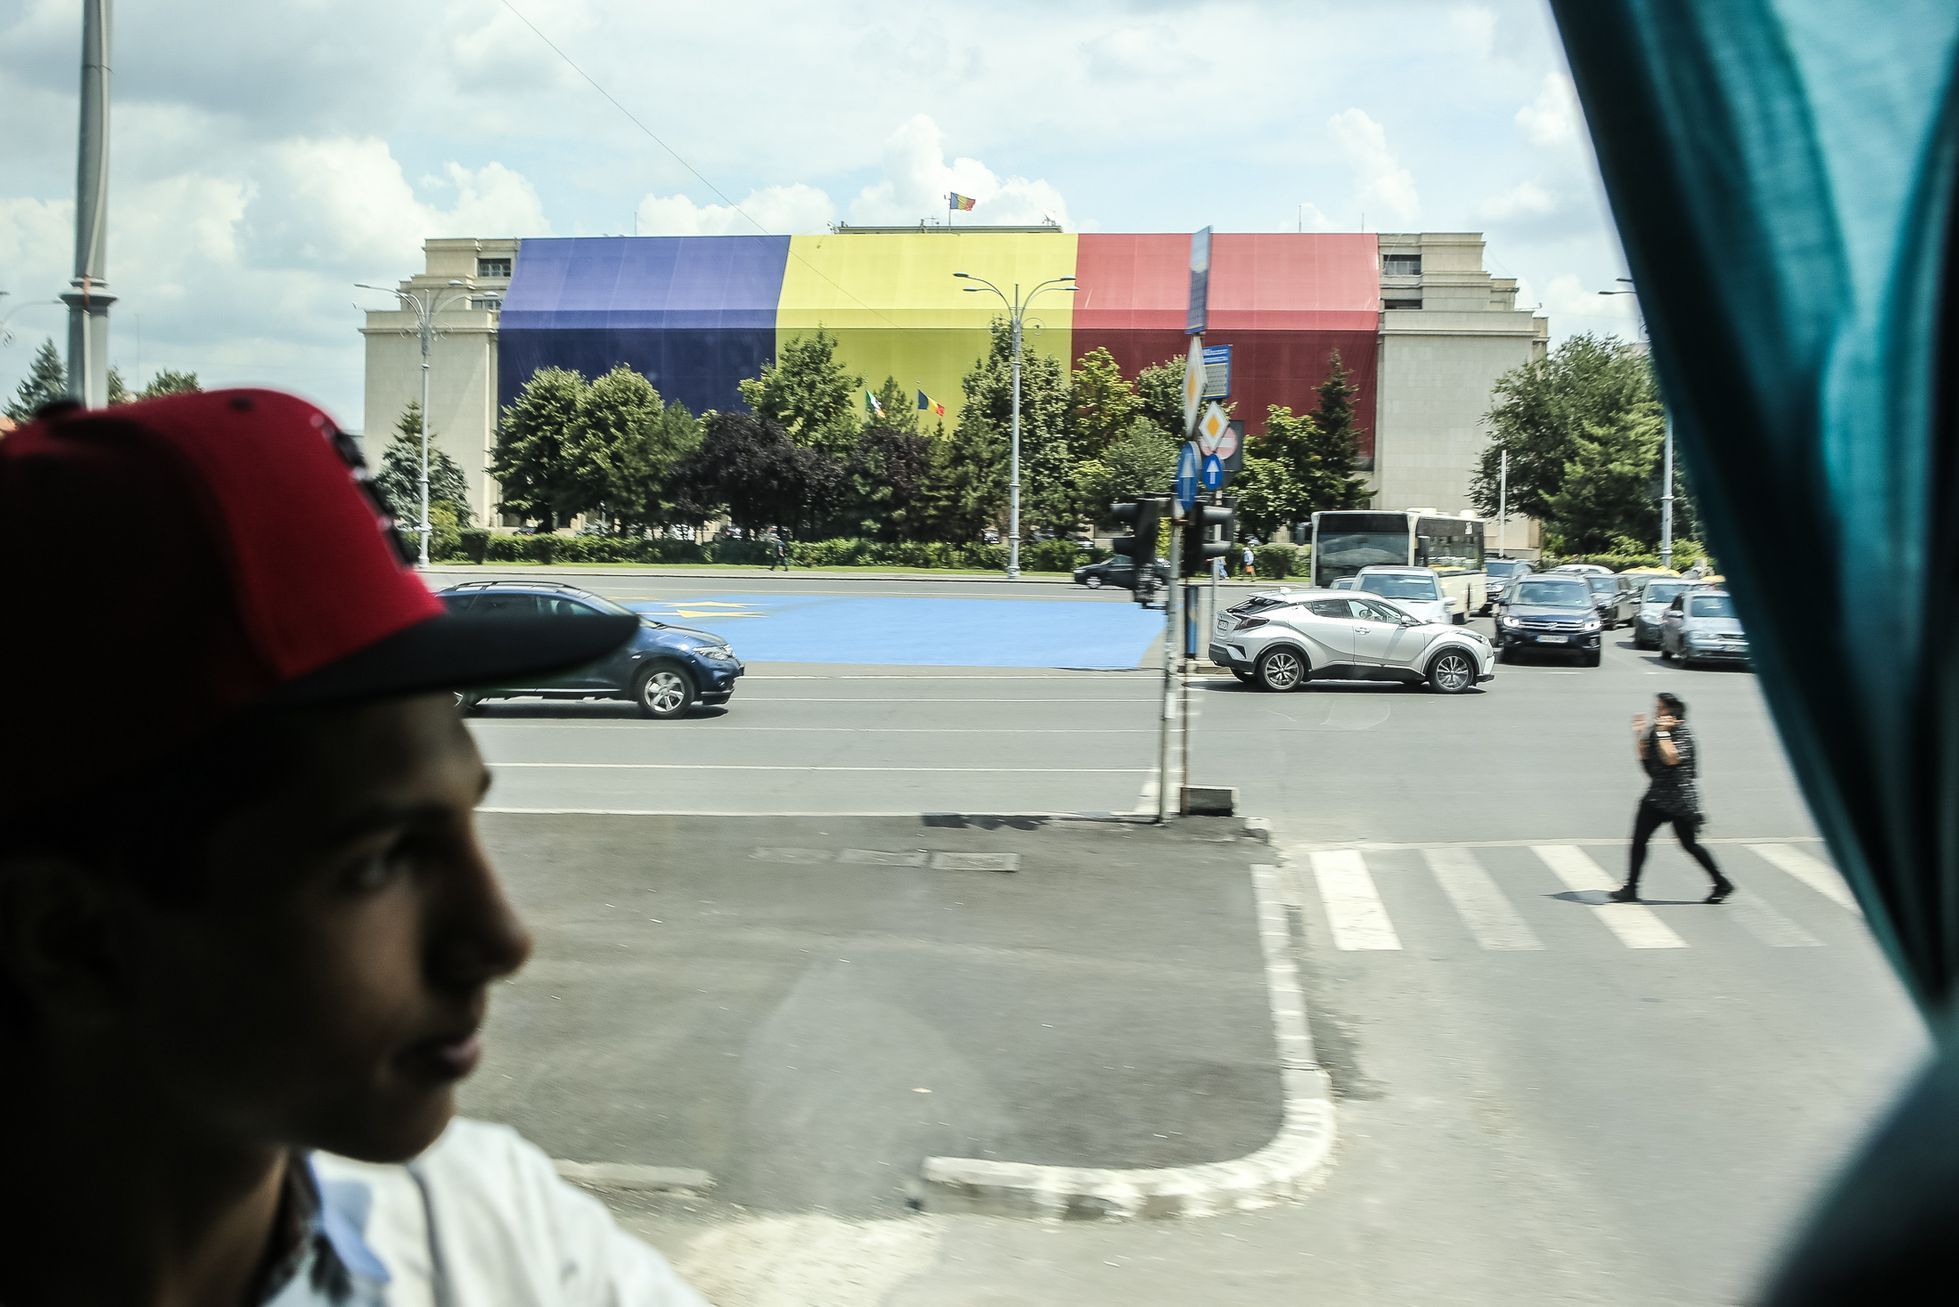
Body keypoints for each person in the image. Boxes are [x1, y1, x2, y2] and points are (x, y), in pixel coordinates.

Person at [0, 391, 706, 1305]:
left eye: (465, 820)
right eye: (379, 859)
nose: (500, 938)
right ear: (70, 938)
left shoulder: (496, 1233)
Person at [1611, 691, 1735, 904]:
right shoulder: (1655, 732)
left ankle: (1721, 882)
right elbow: (1647, 763)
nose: (1656, 712)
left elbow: (1671, 759)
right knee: (1639, 840)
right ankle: (1631, 887)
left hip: (1680, 801)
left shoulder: (1683, 733)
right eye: (1656, 708)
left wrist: (1662, 734)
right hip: (1657, 797)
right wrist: (1639, 735)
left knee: (1689, 844)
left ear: (1673, 712)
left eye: (1660, 709)